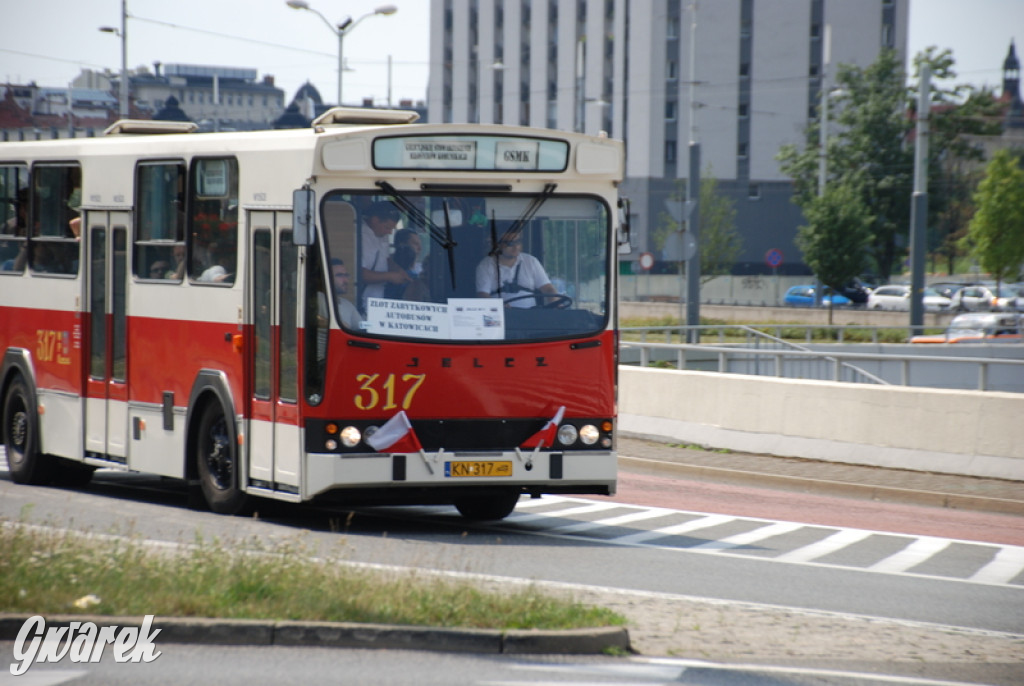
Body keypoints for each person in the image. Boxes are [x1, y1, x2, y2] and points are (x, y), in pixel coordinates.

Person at [475, 230, 559, 308]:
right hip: (502, 317)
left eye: (518, 242)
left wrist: (554, 303)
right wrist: (498, 307)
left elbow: (548, 288)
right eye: (510, 243)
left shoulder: (531, 261)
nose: (516, 247)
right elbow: (482, 294)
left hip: (531, 317)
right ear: (497, 244)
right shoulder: (486, 265)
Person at [359, 201, 410, 308]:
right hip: (362, 301)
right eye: (387, 227)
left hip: (377, 299)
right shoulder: (359, 236)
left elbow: (385, 258)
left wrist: (397, 269)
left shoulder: (381, 232)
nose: (390, 233)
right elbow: (359, 274)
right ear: (375, 220)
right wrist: (390, 276)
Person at [329, 258, 363, 328]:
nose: (345, 280)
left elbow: (362, 328)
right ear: (327, 277)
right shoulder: (318, 301)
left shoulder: (347, 305)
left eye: (346, 275)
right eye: (339, 275)